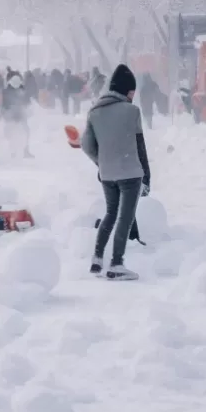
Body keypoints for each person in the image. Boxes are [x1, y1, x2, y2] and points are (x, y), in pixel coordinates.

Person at [79, 64, 149, 281]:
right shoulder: (132, 111)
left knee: (110, 214)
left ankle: (97, 258)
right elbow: (140, 146)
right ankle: (117, 263)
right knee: (125, 218)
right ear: (127, 90)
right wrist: (146, 176)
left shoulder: (94, 112)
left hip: (107, 174)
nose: (132, 96)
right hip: (130, 172)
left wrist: (102, 163)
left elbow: (86, 145)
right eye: (132, 91)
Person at [2, 71, 33, 158]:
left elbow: (26, 100)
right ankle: (15, 152)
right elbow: (5, 104)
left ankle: (25, 151)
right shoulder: (7, 91)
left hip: (20, 113)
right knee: (14, 134)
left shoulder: (17, 89)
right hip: (12, 115)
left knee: (25, 132)